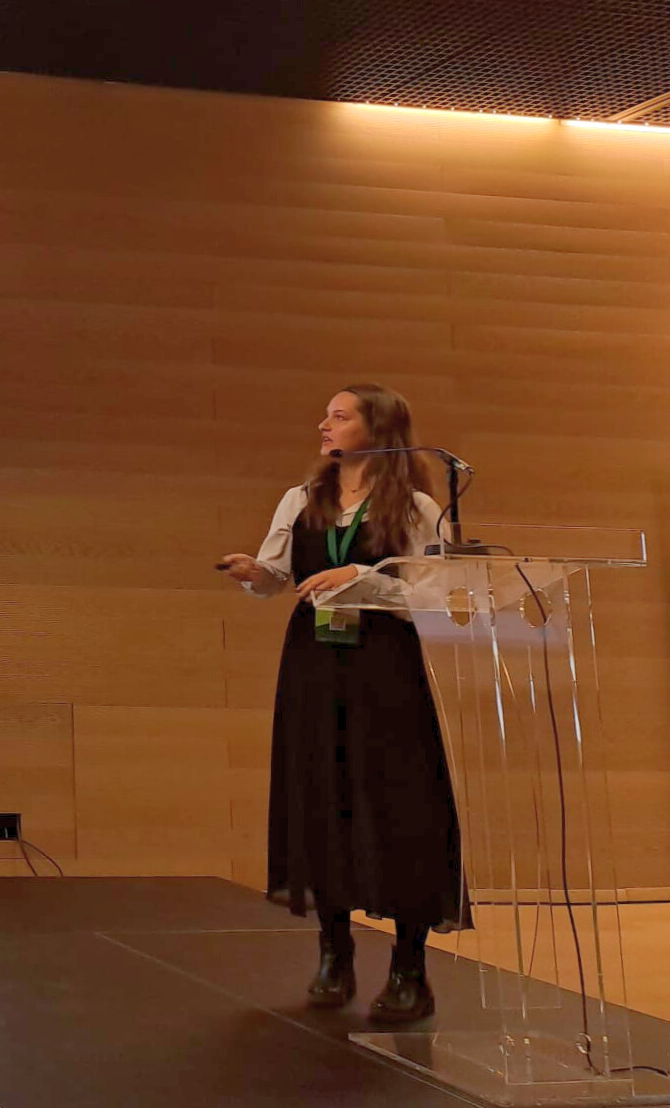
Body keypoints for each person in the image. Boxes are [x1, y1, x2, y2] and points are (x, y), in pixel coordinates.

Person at [218, 383, 462, 1025]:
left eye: (339, 415)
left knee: (401, 802)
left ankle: (410, 968)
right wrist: (255, 574)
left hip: (385, 663)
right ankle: (334, 950)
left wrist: (363, 576)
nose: (322, 424)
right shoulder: (301, 499)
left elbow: (434, 593)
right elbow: (278, 576)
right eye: (326, 414)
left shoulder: (415, 506)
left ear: (376, 428)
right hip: (315, 664)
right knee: (321, 794)